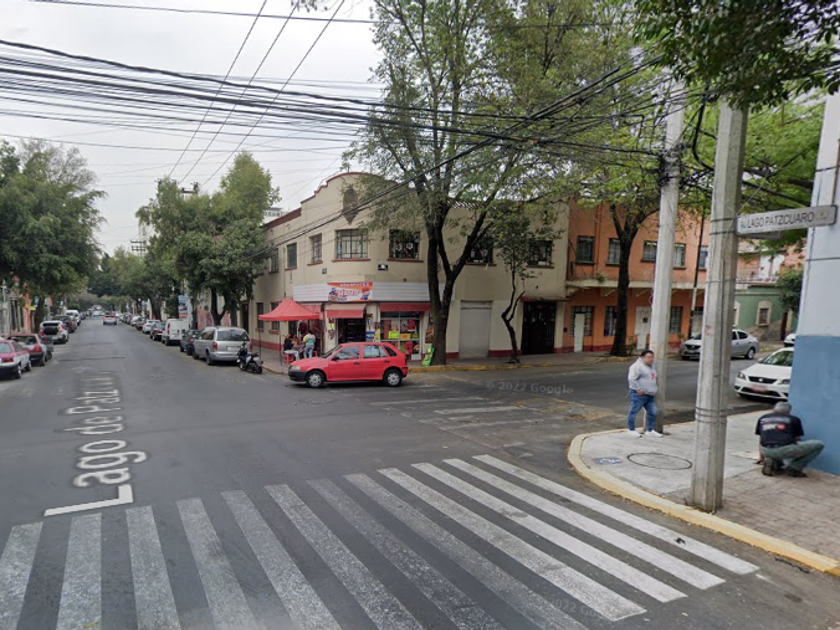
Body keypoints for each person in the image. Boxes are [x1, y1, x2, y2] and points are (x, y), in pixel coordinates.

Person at [756, 401, 824, 477]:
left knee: (778, 451)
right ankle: (794, 468)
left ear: (774, 409)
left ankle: (773, 462)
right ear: (789, 412)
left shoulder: (763, 418)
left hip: (765, 450)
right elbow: (797, 439)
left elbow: (761, 438)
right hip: (783, 450)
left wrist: (761, 457)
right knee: (819, 444)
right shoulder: (794, 419)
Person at [626, 349, 661, 438]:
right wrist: (638, 389)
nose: (651, 359)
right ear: (642, 357)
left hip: (650, 395)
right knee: (633, 411)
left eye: (652, 357)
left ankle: (650, 430)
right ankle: (631, 430)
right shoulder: (637, 366)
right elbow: (632, 379)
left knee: (653, 412)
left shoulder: (651, 366)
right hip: (639, 394)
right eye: (648, 357)